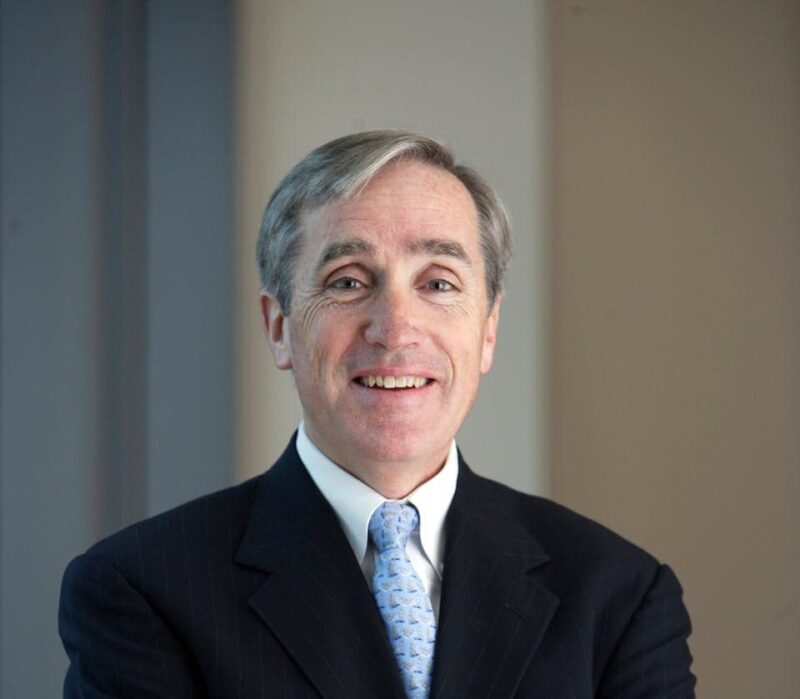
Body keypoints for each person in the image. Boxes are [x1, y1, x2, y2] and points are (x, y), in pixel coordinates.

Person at [59, 130, 696, 698]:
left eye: (438, 283)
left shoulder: (618, 595)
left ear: (488, 331)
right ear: (279, 328)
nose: (394, 329)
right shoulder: (143, 589)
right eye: (348, 281)